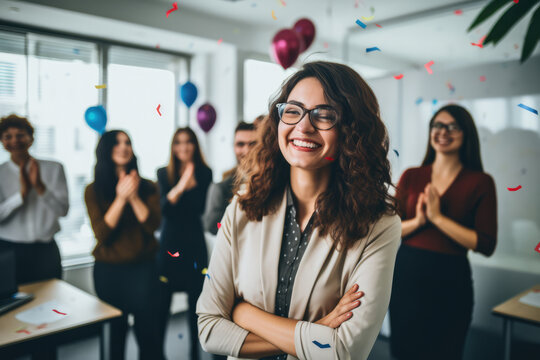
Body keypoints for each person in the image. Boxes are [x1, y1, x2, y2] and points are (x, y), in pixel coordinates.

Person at [196, 61, 402, 360]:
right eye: (292, 111)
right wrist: (316, 330)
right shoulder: (243, 206)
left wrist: (243, 314)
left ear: (351, 129)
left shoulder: (379, 224)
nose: (303, 126)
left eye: (324, 114)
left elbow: (344, 350)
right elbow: (209, 330)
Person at [389, 105, 497, 360]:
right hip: (406, 279)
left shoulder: (481, 182)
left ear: (465, 133)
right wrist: (419, 222)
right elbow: (390, 230)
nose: (443, 131)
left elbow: (485, 244)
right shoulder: (412, 175)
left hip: (450, 282)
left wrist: (438, 218)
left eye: (452, 126)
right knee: (403, 352)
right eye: (437, 125)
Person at [84, 130, 163, 360]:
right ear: (105, 150)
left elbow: (152, 226)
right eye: (117, 143)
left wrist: (133, 196)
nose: (123, 147)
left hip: (144, 271)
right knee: (113, 339)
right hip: (109, 274)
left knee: (150, 338)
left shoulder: (149, 186)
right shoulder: (93, 190)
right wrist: (120, 198)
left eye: (127, 142)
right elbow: (102, 234)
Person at [156, 127, 213, 360]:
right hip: (169, 244)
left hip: (193, 245)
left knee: (195, 305)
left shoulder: (206, 173)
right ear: (173, 146)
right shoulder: (163, 173)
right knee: (161, 304)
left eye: (188, 142)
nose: (184, 147)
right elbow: (165, 210)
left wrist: (178, 194)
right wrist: (182, 186)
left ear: (194, 145)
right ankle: (156, 354)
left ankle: (194, 355)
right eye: (178, 142)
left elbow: (198, 209)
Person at [0, 114, 68, 285]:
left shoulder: (54, 168)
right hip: (9, 251)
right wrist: (21, 195)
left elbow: (63, 211)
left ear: (31, 138)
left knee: (52, 302)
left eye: (20, 135)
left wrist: (40, 188)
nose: (15, 140)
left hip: (46, 251)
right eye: (8, 136)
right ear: (2, 141)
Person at [203, 121, 257, 235]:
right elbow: (212, 226)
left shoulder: (271, 181)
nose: (246, 150)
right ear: (233, 146)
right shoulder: (221, 188)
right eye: (240, 144)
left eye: (252, 144)